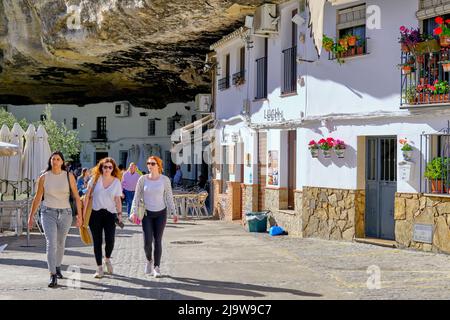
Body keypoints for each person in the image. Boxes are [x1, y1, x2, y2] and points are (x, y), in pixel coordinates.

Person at [28, 151, 82, 288]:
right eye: (53, 159)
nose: (55, 161)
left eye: (58, 159)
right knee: (51, 242)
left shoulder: (69, 176)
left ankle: (57, 266)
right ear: (50, 161)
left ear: (62, 162)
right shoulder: (44, 177)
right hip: (47, 212)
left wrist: (79, 216)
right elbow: (38, 198)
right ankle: (52, 274)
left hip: (66, 213)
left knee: (60, 243)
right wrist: (31, 216)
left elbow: (76, 197)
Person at [130, 156, 177, 278]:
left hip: (161, 213)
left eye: (152, 163)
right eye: (148, 163)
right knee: (147, 242)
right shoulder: (142, 179)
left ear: (158, 165)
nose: (149, 165)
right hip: (147, 214)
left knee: (158, 241)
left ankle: (157, 267)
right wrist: (133, 211)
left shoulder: (165, 180)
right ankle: (149, 260)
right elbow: (136, 196)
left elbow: (169, 197)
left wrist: (174, 212)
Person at [83, 157, 123, 278]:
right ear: (101, 167)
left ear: (113, 169)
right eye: (105, 167)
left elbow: (117, 199)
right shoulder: (95, 179)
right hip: (95, 214)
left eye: (110, 167)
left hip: (110, 214)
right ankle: (99, 268)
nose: (107, 169)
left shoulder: (116, 182)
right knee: (97, 241)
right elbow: (87, 196)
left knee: (110, 240)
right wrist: (83, 215)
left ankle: (107, 259)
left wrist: (120, 214)